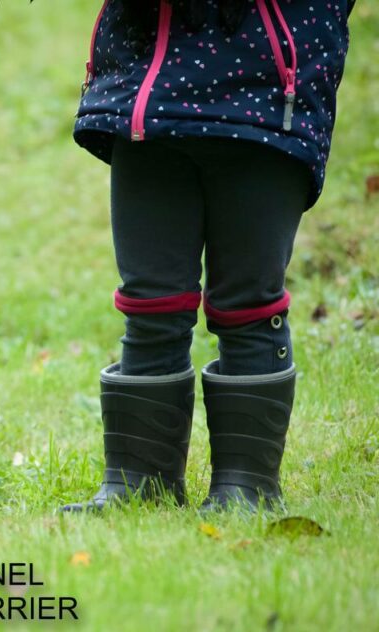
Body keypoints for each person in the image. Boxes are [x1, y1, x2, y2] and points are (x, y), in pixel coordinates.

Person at [62, 0, 354, 512]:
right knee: (150, 300)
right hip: (146, 92)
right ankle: (140, 480)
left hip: (263, 97)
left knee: (249, 304)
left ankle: (247, 487)